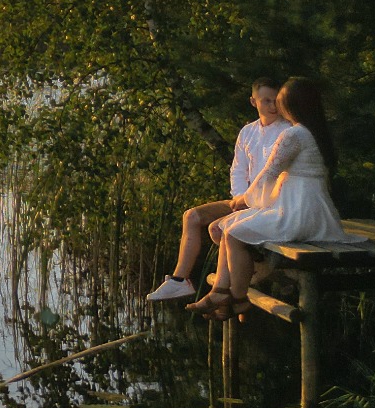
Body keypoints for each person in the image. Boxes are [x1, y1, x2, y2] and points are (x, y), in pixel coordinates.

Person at [187, 75, 361, 319]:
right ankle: (221, 292)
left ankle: (237, 297)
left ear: (290, 105)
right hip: (313, 209)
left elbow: (268, 174)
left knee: (234, 234)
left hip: (298, 211)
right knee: (229, 226)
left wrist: (243, 200)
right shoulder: (317, 132)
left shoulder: (294, 135)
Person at [147, 77, 287, 303]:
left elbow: (275, 175)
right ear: (253, 102)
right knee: (192, 216)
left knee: (217, 229)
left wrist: (249, 200)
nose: (272, 106)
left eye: (276, 101)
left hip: (269, 202)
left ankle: (237, 281)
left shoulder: (286, 131)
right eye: (266, 101)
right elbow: (238, 169)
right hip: (244, 199)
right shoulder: (248, 132)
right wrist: (239, 197)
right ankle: (179, 281)